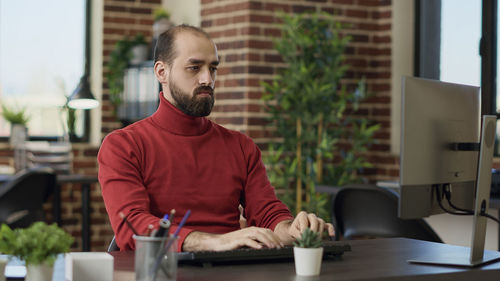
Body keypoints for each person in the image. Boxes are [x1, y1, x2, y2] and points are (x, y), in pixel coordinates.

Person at [98, 24, 334, 252]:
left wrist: (292, 229)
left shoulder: (241, 146)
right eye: (194, 68)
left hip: (232, 270)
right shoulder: (123, 145)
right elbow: (132, 226)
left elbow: (266, 213)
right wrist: (214, 242)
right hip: (163, 271)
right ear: (162, 72)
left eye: (212, 68)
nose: (207, 80)